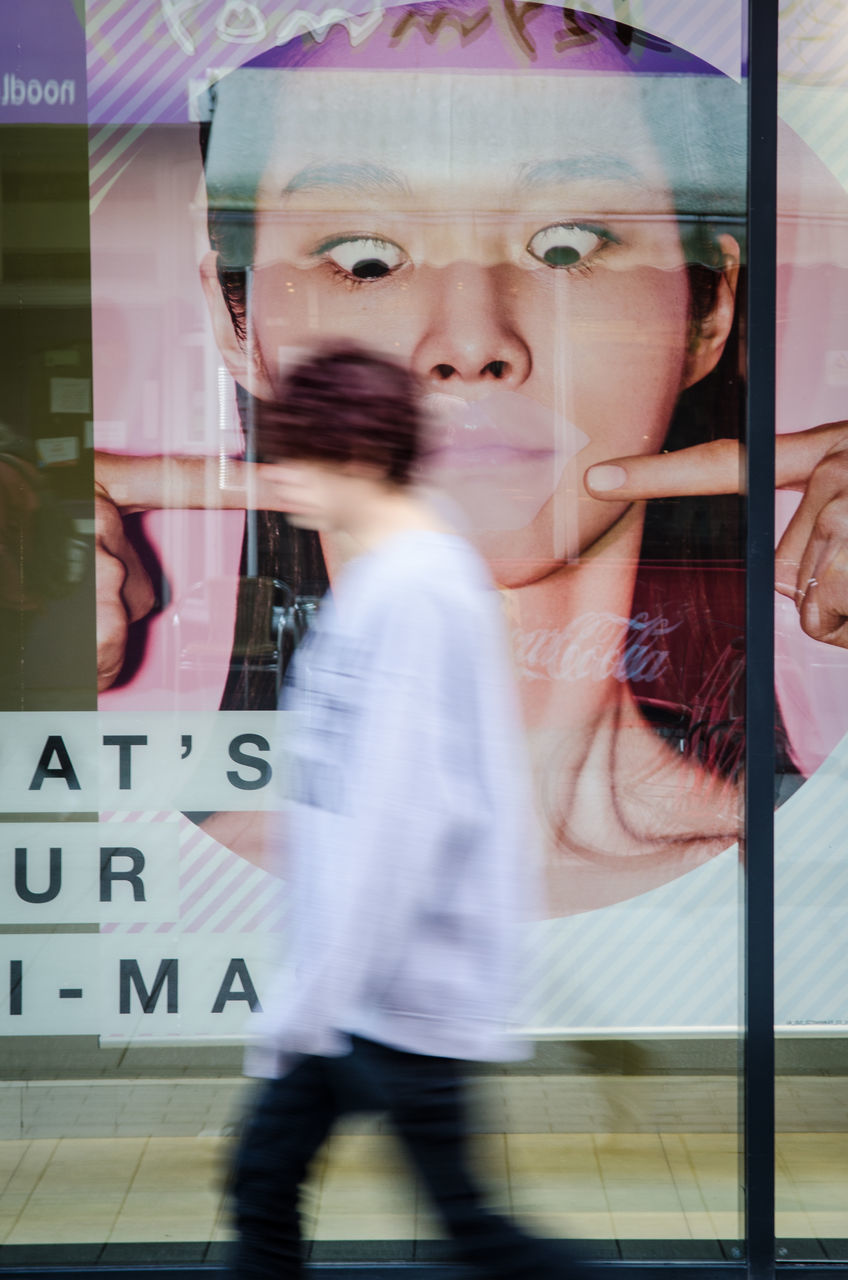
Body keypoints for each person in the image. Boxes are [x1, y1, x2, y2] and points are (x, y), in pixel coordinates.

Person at [92, 2, 848, 920]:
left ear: (708, 311)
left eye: (567, 245)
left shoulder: (808, 888)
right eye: (366, 259)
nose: (471, 342)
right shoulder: (146, 884)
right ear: (234, 323)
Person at [230, 340, 572, 1279]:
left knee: (460, 1228)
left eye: (294, 453)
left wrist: (320, 994)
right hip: (371, 984)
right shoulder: (392, 573)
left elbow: (400, 818)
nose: (279, 475)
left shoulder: (414, 588)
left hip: (393, 987)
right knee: (273, 1189)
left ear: (351, 457)